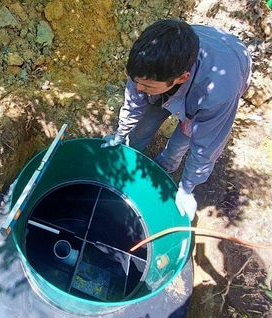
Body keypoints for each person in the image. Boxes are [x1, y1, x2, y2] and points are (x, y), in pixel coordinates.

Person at [102, 19, 252, 221]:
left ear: (181, 78)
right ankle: (133, 155)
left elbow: (206, 148)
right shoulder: (147, 62)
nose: (139, 89)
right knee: (142, 126)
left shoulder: (217, 94)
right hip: (198, 51)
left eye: (147, 86)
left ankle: (165, 167)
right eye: (137, 82)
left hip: (229, 61)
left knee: (181, 142)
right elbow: (134, 103)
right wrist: (121, 134)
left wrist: (187, 188)